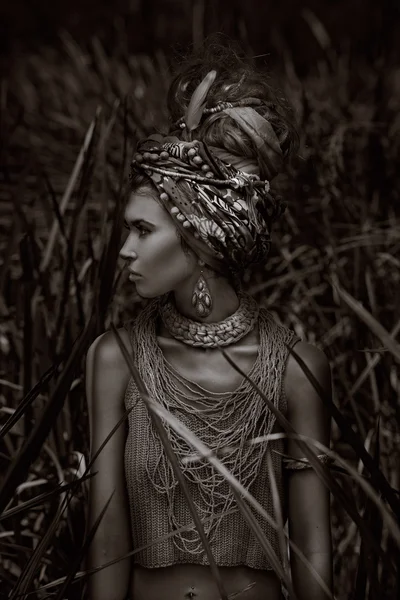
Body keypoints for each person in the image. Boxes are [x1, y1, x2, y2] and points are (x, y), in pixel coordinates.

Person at [85, 40, 333, 600]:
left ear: (200, 239)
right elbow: (105, 545)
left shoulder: (295, 368)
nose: (124, 249)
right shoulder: (115, 359)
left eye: (144, 230)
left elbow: (315, 555)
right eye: (129, 229)